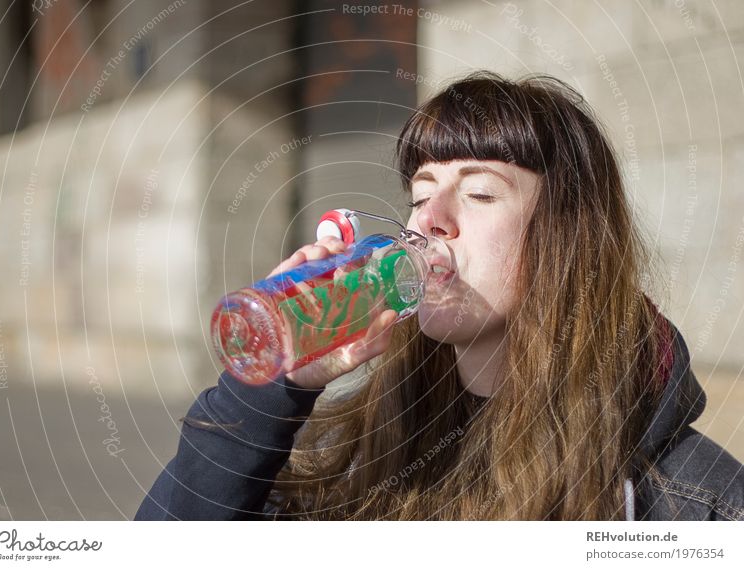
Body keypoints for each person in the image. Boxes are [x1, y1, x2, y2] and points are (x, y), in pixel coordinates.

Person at [135, 71, 744, 521]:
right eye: (421, 195)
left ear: (569, 239)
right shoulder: (360, 451)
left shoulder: (694, 504)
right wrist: (270, 392)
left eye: (479, 193)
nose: (431, 221)